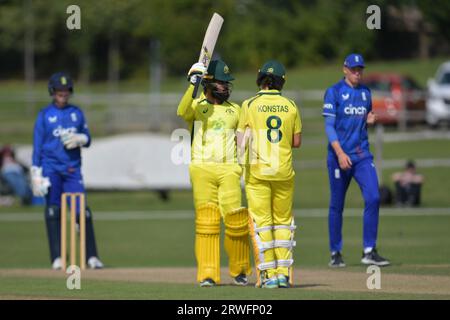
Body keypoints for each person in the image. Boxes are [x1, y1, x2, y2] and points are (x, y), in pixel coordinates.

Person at [177, 60, 251, 287]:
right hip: (202, 168)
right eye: (221, 83)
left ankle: (240, 271)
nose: (226, 87)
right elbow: (182, 111)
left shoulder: (235, 109)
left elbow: (242, 142)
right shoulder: (198, 106)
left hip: (229, 169)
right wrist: (193, 84)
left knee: (236, 219)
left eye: (227, 84)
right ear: (209, 84)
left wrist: (244, 167)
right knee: (207, 220)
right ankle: (208, 274)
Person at [237, 60, 302, 288]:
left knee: (262, 223)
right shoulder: (291, 105)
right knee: (283, 222)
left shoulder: (250, 104)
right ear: (281, 81)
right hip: (283, 171)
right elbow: (296, 141)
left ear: (260, 79)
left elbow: (241, 141)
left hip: (258, 172)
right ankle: (284, 274)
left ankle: (268, 275)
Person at [323, 54, 390, 267]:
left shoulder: (365, 93)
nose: (357, 73)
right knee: (337, 205)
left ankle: (369, 251)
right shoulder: (333, 92)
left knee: (373, 197)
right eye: (353, 69)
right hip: (338, 158)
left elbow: (360, 122)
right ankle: (336, 253)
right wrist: (340, 154)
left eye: (360, 69)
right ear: (345, 69)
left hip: (362, 156)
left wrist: (367, 121)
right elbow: (329, 126)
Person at [31, 72, 103, 270]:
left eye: (66, 90)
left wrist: (81, 138)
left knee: (82, 212)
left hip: (72, 170)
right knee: (54, 211)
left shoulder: (76, 113)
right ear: (52, 92)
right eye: (59, 90)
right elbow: (37, 146)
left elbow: (87, 139)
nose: (63, 93)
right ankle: (58, 257)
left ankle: (92, 257)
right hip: (50, 168)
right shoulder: (44, 115)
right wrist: (35, 172)